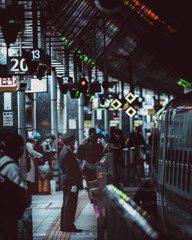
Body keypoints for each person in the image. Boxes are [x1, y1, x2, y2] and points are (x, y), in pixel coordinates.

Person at [0, 133, 31, 240]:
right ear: (21, 148)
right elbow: (23, 194)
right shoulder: (12, 167)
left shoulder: (1, 162)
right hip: (7, 216)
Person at [59, 130, 83, 232]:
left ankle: (64, 226)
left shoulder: (64, 151)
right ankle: (68, 226)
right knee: (70, 205)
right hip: (70, 182)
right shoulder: (67, 153)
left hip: (66, 181)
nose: (74, 143)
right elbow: (70, 170)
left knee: (66, 204)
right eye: (74, 141)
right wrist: (73, 184)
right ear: (71, 142)